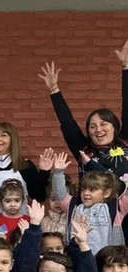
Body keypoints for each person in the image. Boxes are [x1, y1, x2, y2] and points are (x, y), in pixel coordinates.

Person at [38, 39, 128, 181]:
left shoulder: (125, 141)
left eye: (103, 124)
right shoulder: (84, 149)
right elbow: (67, 123)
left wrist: (125, 67)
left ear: (114, 126)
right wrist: (54, 90)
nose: (98, 129)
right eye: (92, 126)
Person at [51, 151, 128, 253]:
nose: (86, 193)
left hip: (107, 260)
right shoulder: (74, 205)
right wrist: (58, 172)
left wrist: (91, 164)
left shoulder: (116, 206)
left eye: (92, 190)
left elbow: (119, 185)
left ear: (107, 193)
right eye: (83, 189)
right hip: (80, 257)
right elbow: (59, 194)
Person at [0, 124, 51, 213]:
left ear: (12, 140)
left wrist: (44, 173)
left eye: (3, 135)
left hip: (18, 225)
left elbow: (39, 197)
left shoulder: (24, 166)